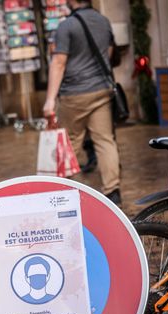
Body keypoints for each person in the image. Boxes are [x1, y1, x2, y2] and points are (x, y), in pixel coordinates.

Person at [43, 0, 122, 205]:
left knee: (69, 143)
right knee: (105, 140)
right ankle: (112, 190)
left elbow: (59, 62)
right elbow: (110, 52)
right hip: (101, 90)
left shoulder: (66, 26)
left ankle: (60, 192)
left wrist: (50, 100)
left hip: (74, 93)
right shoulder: (103, 21)